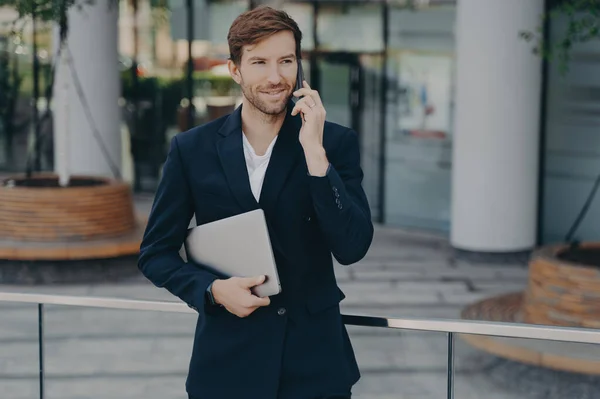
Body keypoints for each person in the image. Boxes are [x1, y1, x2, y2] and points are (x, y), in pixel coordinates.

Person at [138, 6, 374, 399]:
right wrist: (212, 290)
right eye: (259, 62)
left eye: (286, 61)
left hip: (315, 366)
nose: (275, 77)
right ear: (235, 70)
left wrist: (316, 157)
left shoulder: (334, 143)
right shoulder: (191, 149)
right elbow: (154, 254)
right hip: (228, 364)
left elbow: (352, 247)